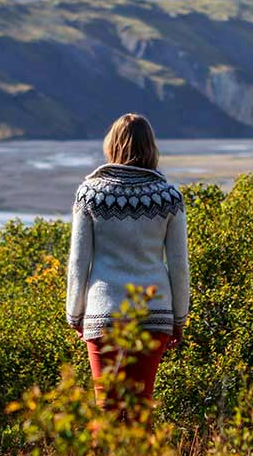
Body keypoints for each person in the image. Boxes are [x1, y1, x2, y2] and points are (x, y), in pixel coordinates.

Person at [65, 113, 189, 423]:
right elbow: (178, 266)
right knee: (139, 409)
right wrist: (179, 318)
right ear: (151, 147)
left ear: (112, 144)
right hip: (154, 315)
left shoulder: (90, 194)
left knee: (106, 409)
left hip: (102, 315)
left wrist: (74, 315)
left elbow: (78, 262)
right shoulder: (169, 197)